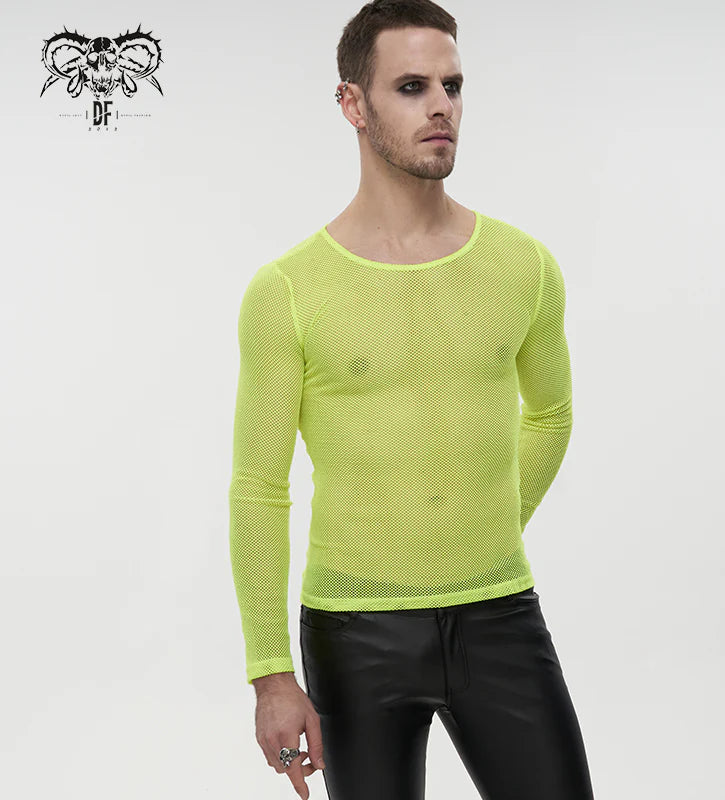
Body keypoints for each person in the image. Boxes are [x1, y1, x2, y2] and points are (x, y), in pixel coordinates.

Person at [228, 1, 595, 798]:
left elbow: (552, 414)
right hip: (353, 637)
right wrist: (271, 673)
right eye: (411, 86)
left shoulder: (524, 266)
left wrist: (482, 529)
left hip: (501, 619)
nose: (441, 106)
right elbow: (258, 487)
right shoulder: (288, 290)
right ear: (352, 104)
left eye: (452, 85)